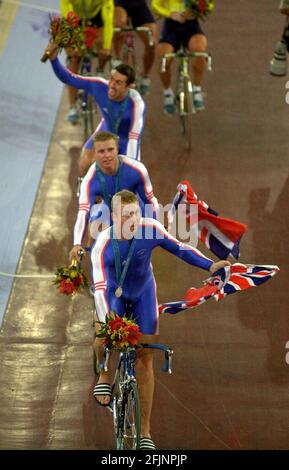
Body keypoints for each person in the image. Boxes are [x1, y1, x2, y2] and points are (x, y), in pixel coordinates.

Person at [91, 189, 230, 449]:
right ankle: (104, 374)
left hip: (143, 293)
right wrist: (107, 318)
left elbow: (180, 248)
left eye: (135, 213)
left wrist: (210, 265)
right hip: (113, 297)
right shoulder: (103, 243)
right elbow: (100, 288)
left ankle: (145, 431)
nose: (132, 219)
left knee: (145, 358)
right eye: (125, 215)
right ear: (114, 217)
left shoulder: (150, 228)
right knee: (102, 337)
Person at [44, 42, 145, 176]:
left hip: (125, 141)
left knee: (125, 179)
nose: (112, 86)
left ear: (129, 87)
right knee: (84, 164)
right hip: (106, 130)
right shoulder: (99, 86)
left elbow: (134, 138)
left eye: (118, 83)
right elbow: (69, 78)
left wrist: (133, 169)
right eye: (112, 79)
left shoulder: (136, 104)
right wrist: (54, 59)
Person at [69, 131, 159, 262]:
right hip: (109, 211)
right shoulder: (90, 180)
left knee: (140, 250)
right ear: (94, 153)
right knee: (93, 235)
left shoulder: (137, 169)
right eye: (101, 151)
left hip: (134, 210)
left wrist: (155, 226)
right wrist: (77, 244)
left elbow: (150, 201)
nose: (107, 156)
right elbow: (83, 212)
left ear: (117, 149)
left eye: (110, 150)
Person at [60, 0, 115, 124]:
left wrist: (106, 47)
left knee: (104, 47)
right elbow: (66, 15)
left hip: (97, 17)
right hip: (75, 18)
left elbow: (108, 20)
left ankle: (101, 69)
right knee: (74, 58)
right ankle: (72, 107)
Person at [152, 0, 210, 114]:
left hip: (191, 27)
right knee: (164, 57)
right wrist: (170, 13)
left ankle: (197, 89)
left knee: (200, 51)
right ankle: (167, 92)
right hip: (171, 27)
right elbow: (155, 4)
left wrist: (197, 12)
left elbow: (209, 3)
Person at [113, 0, 157, 96]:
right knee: (119, 28)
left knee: (152, 42)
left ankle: (145, 76)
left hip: (139, 6)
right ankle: (117, 59)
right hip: (119, 4)